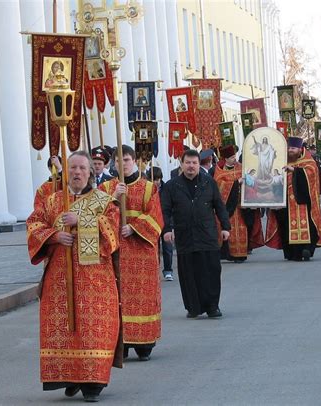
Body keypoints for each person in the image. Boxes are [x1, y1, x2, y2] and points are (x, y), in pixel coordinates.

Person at [26, 151, 121, 402]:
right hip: (59, 277)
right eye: (73, 168)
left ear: (91, 172)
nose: (77, 172)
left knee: (93, 328)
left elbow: (112, 234)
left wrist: (81, 220)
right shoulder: (53, 201)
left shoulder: (104, 201)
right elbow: (34, 225)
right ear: (66, 172)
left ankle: (92, 382)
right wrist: (54, 236)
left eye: (82, 168)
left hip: (95, 280)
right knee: (65, 328)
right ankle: (71, 376)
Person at [99, 145, 163, 360]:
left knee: (142, 296)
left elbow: (156, 217)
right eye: (118, 161)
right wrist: (113, 197)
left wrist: (134, 227)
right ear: (113, 163)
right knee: (118, 298)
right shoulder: (106, 187)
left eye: (126, 159)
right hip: (116, 251)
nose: (122, 164)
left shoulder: (148, 188)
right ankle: (122, 343)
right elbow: (95, 213)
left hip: (141, 252)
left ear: (135, 160)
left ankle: (145, 343)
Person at [161, 149, 231, 318]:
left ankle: (213, 306)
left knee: (211, 271)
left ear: (199, 164)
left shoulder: (209, 183)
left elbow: (219, 206)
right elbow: (165, 210)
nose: (191, 166)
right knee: (188, 274)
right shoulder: (172, 186)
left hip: (207, 235)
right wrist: (167, 230)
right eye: (188, 163)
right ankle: (193, 307)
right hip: (185, 236)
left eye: (194, 163)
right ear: (182, 164)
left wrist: (225, 227)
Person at [266, 136, 321, 261]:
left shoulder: (309, 162)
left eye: (293, 148)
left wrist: (295, 170)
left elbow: (311, 174)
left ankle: (306, 250)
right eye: (289, 148)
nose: (290, 150)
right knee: (285, 224)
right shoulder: (281, 160)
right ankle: (291, 252)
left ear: (300, 149)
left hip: (303, 201)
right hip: (285, 201)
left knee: (308, 224)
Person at [147, 166, 174, 281]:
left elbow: (171, 206)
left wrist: (171, 225)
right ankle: (155, 270)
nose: (156, 182)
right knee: (154, 248)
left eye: (158, 179)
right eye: (154, 179)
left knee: (167, 248)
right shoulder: (147, 189)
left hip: (165, 221)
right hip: (152, 222)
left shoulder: (167, 188)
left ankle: (168, 270)